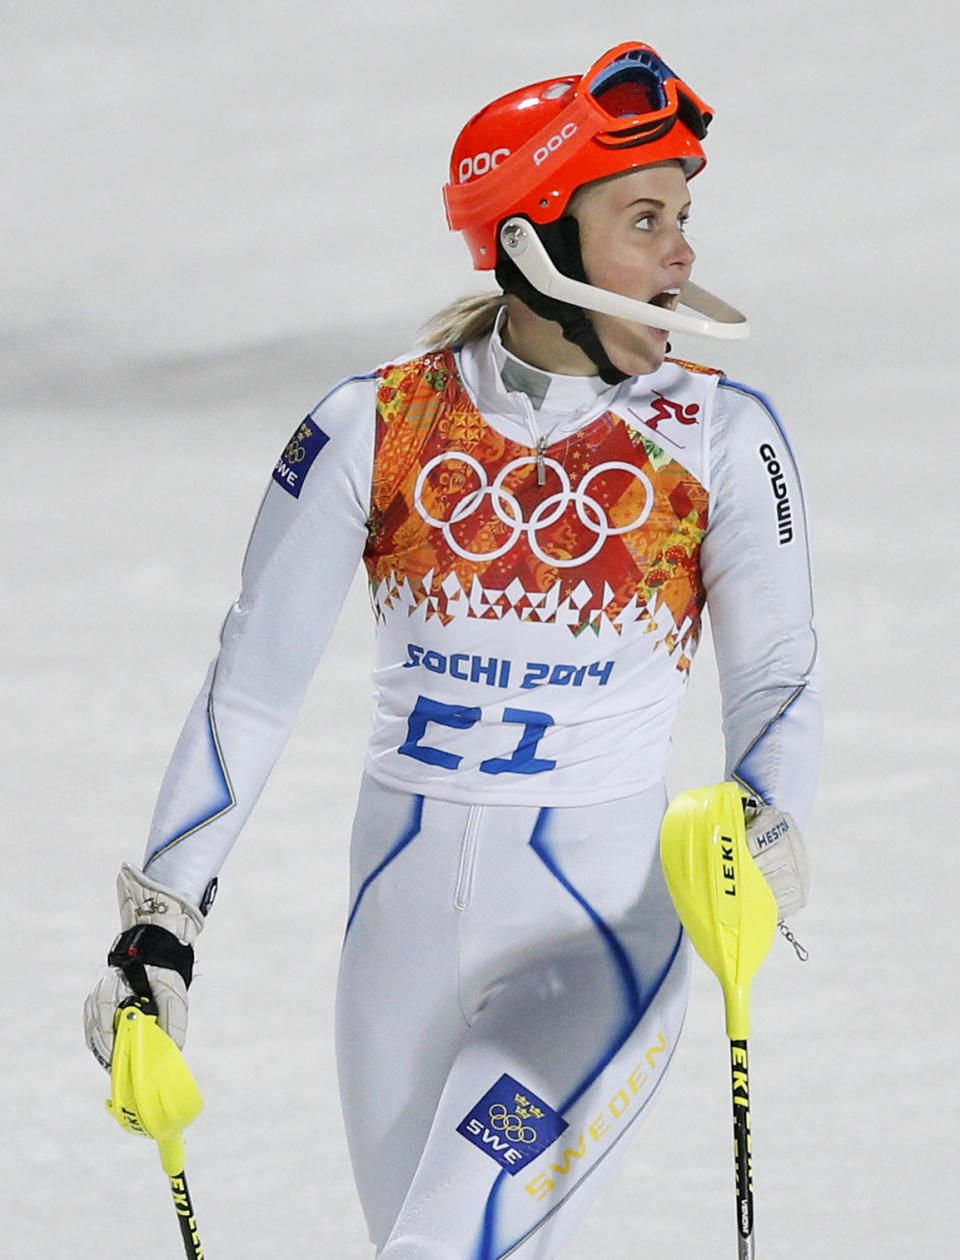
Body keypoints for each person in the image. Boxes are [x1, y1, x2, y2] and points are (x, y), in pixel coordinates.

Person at [84, 40, 821, 1260]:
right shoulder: (372, 423)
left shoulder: (722, 437)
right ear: (535, 241)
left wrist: (767, 820)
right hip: (397, 950)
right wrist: (159, 920)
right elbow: (249, 693)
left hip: (596, 947)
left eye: (684, 216)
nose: (683, 254)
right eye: (644, 219)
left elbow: (778, 679)